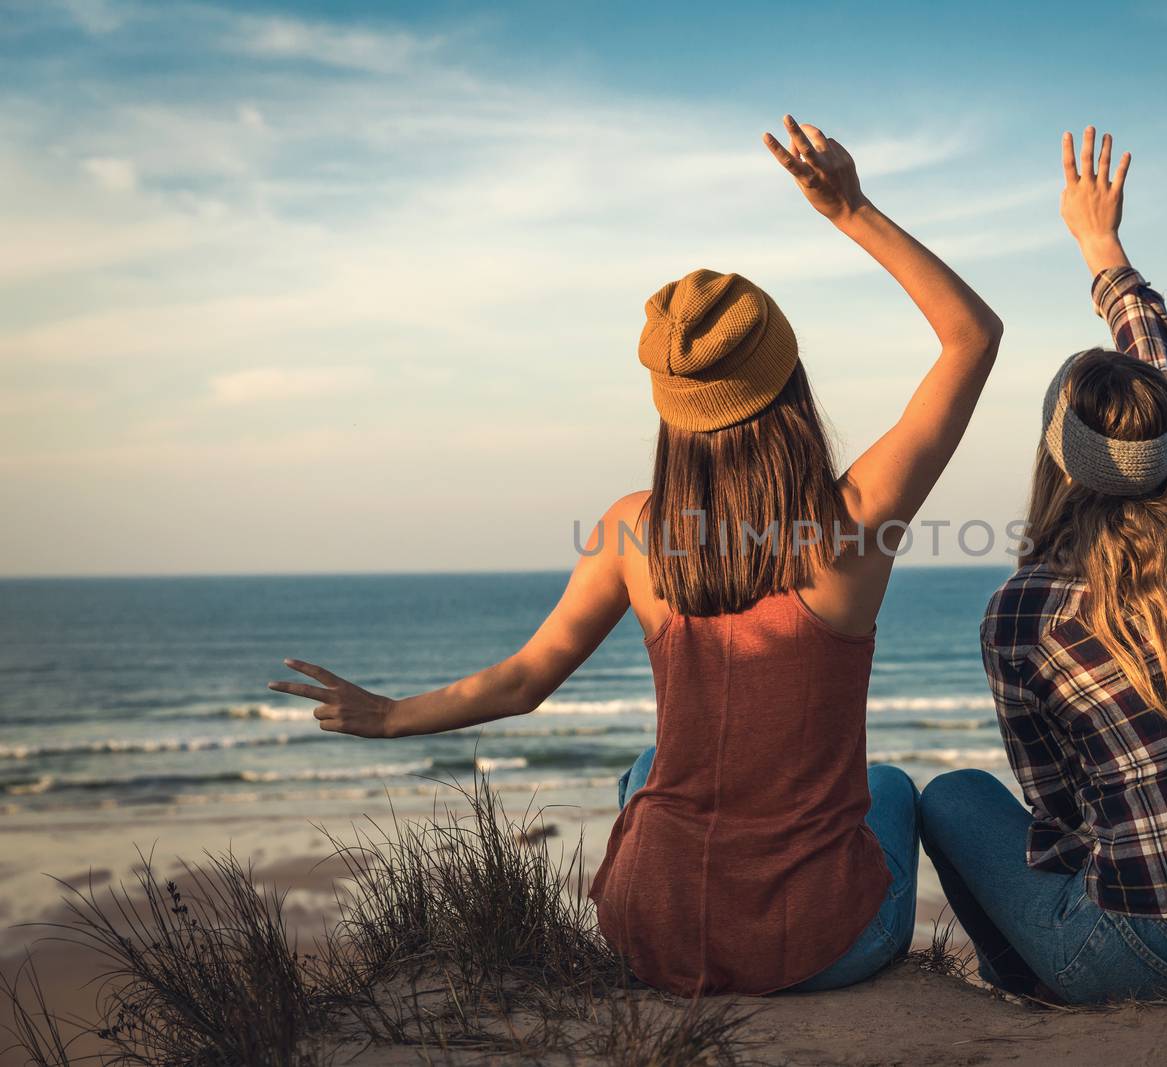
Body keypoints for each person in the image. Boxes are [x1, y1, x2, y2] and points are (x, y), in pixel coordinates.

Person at [267, 115, 1003, 997]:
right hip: (808, 947)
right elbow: (972, 335)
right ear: (789, 377)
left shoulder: (631, 530)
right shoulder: (852, 519)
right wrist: (851, 210)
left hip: (651, 932)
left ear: (670, 407)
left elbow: (525, 679)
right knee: (884, 784)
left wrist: (388, 717)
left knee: (650, 772)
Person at [918, 126, 1167, 1011]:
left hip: (1149, 959)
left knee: (953, 798)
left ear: (1054, 457)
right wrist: (1102, 248)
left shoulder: (1019, 616)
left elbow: (1061, 821)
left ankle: (1032, 985)